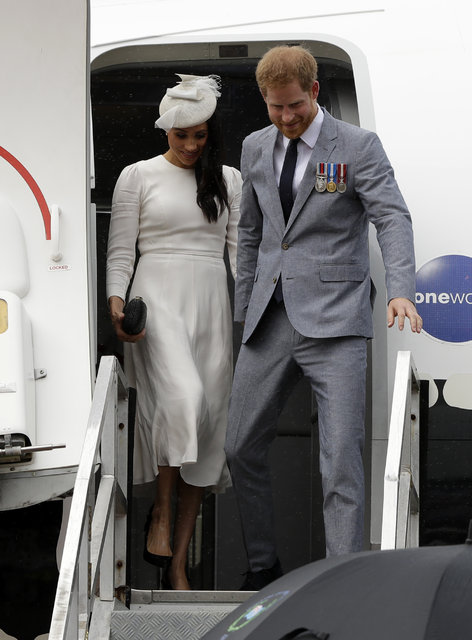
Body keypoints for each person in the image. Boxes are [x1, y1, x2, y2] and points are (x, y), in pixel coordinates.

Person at [224, 45, 423, 590]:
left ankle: (342, 582)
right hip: (270, 319)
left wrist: (401, 290)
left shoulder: (357, 145)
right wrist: (244, 310)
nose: (286, 117)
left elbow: (392, 217)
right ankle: (262, 565)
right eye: (275, 107)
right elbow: (250, 233)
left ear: (314, 91)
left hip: (336, 323)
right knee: (239, 446)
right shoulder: (255, 146)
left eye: (294, 105)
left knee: (340, 462)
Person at [106, 74, 242, 590]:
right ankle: (160, 511)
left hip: (210, 303)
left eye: (200, 135)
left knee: (208, 426)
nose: (190, 145)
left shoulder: (229, 180)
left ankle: (179, 565)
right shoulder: (137, 175)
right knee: (183, 399)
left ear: (211, 133)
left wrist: (251, 313)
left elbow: (240, 255)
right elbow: (121, 250)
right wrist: (117, 306)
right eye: (181, 135)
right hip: (157, 297)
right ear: (166, 129)